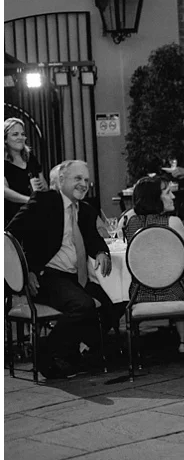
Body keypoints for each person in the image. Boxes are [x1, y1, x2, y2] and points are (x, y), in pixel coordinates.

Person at [7, 160, 114, 378]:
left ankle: (74, 352)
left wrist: (102, 253)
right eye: (78, 178)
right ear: (61, 180)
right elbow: (10, 235)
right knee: (82, 305)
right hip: (47, 275)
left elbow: (93, 239)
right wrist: (25, 271)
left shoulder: (85, 209)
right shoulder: (44, 201)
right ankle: (45, 352)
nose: (84, 184)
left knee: (114, 304)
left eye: (86, 179)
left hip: (75, 277)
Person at [123, 176, 184, 355]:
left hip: (140, 294)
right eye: (168, 192)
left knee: (171, 277)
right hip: (176, 292)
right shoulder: (173, 222)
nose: (173, 197)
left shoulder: (131, 224)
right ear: (155, 197)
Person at [5, 117, 48, 225]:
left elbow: (44, 185)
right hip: (13, 217)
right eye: (15, 134)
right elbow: (4, 191)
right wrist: (29, 200)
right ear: (5, 139)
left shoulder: (30, 158)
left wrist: (42, 188)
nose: (21, 137)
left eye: (23, 134)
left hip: (36, 215)